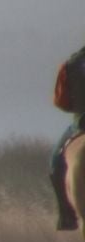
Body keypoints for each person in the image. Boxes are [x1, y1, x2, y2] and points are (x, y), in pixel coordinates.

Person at [52, 42, 85, 230]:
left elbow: (60, 101)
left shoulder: (71, 64)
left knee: (55, 163)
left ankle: (66, 214)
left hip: (81, 124)